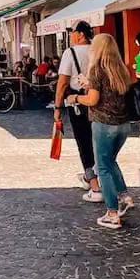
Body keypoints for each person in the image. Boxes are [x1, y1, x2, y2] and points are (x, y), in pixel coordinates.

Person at [64, 33, 136, 230]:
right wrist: (90, 85)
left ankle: (112, 213)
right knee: (110, 161)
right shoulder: (120, 69)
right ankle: (124, 196)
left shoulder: (97, 69)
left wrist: (75, 99)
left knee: (102, 166)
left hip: (104, 124)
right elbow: (109, 92)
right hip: (123, 125)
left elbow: (93, 100)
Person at [53, 21, 102, 202]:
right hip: (98, 99)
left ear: (80, 34)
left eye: (72, 32)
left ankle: (94, 185)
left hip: (78, 102)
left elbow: (63, 83)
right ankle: (98, 178)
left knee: (84, 143)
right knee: (99, 141)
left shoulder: (70, 52)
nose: (71, 35)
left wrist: (57, 108)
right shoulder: (97, 50)